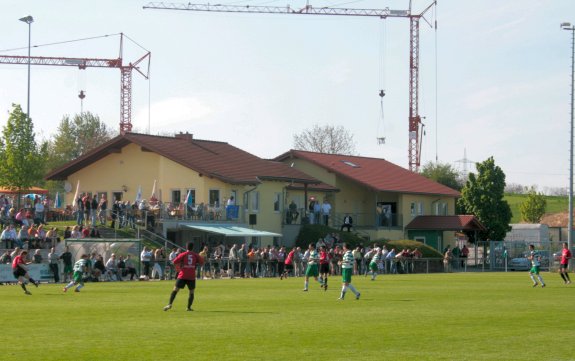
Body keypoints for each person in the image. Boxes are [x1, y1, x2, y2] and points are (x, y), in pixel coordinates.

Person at [163, 242, 204, 312]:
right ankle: (188, 307)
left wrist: (179, 266)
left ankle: (169, 304)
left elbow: (174, 261)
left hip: (183, 275)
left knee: (175, 289)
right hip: (191, 276)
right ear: (192, 247)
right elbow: (202, 262)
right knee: (191, 292)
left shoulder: (183, 254)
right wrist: (195, 263)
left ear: (186, 247)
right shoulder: (195, 255)